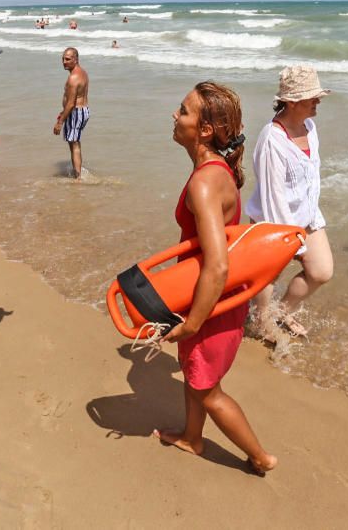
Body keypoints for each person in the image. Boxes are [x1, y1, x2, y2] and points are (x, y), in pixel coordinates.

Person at [153, 80, 277, 475]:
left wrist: (192, 323)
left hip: (211, 303)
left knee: (208, 390)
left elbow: (218, 264)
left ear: (205, 130)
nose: (175, 115)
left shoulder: (204, 182)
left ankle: (260, 457)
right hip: (213, 298)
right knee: (194, 376)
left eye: (184, 111)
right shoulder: (215, 169)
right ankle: (192, 438)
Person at [245, 65, 333, 338]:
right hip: (274, 222)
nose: (318, 101)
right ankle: (261, 322)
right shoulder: (273, 140)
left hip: (306, 216)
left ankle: (282, 312)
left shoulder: (309, 125)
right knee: (269, 277)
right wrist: (289, 241)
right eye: (312, 97)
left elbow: (311, 178)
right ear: (293, 102)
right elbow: (273, 197)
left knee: (321, 272)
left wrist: (312, 220)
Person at [53, 47, 90, 179]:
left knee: (74, 144)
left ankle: (78, 177)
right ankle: (77, 171)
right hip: (82, 111)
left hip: (75, 112)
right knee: (75, 142)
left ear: (76, 59)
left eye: (68, 59)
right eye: (63, 59)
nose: (64, 62)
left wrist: (60, 122)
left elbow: (71, 103)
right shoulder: (82, 72)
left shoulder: (73, 78)